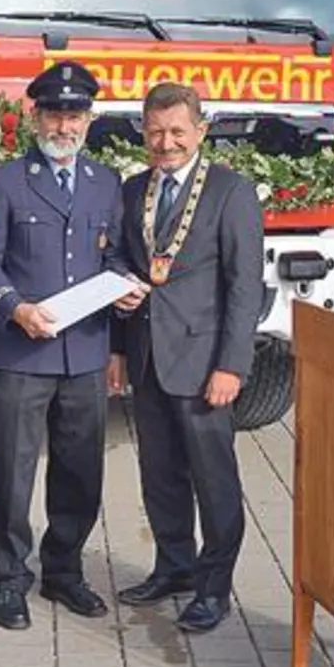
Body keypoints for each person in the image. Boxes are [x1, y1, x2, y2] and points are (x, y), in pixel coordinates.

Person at [0, 60, 145, 630]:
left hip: (85, 353)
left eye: (75, 116)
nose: (65, 127)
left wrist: (124, 292)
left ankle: (63, 571)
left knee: (80, 470)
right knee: (14, 473)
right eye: (55, 114)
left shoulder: (104, 183)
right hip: (24, 351)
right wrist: (14, 307)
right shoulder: (6, 180)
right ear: (35, 116)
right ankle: (10, 578)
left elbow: (113, 255)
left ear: (89, 121)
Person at [111, 82, 263, 634]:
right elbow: (121, 263)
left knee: (213, 479)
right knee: (160, 474)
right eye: (155, 132)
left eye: (177, 131)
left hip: (204, 366)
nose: (166, 143)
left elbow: (245, 287)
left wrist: (233, 366)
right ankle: (173, 567)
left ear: (200, 130)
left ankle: (214, 588)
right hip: (149, 357)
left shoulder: (231, 191)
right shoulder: (133, 191)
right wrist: (118, 348)